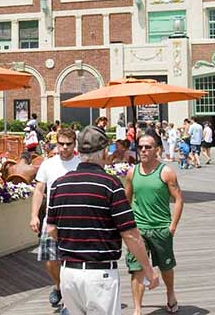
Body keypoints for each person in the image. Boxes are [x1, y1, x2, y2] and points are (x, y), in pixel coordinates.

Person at [45, 125, 158, 315]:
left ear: (78, 151)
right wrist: (148, 270)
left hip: (68, 274)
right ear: (105, 152)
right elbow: (130, 235)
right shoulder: (111, 185)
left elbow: (51, 230)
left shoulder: (59, 184)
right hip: (100, 274)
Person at [124, 130, 184, 314]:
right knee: (137, 268)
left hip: (160, 228)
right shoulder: (132, 172)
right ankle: (137, 308)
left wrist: (172, 227)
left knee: (166, 265)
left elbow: (179, 199)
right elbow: (126, 201)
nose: (143, 150)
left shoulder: (166, 172)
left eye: (147, 147)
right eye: (140, 147)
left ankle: (170, 293)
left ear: (157, 149)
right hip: (138, 229)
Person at [30, 127, 80, 311]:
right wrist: (34, 215)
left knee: (72, 260)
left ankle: (68, 298)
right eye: (61, 144)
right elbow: (39, 190)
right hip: (52, 219)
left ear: (74, 144)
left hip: (75, 220)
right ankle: (59, 286)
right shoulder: (47, 164)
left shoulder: (80, 164)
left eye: (68, 144)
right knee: (50, 260)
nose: (64, 147)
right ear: (56, 144)